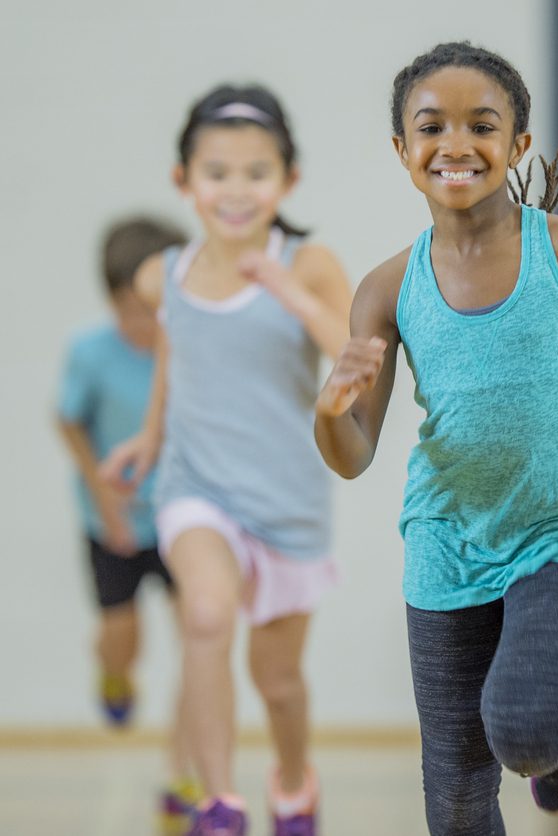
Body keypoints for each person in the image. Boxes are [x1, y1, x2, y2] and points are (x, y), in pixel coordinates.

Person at [312, 42, 558, 836]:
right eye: (432, 127)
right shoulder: (386, 290)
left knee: (526, 728)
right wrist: (329, 412)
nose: (456, 144)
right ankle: (551, 726)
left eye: (482, 125)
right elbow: (354, 454)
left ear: (518, 145)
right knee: (455, 802)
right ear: (402, 151)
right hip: (447, 539)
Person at [102, 84, 352, 836]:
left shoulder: (309, 264)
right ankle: (218, 799)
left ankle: (293, 779)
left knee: (276, 682)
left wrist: (289, 295)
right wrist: (151, 437)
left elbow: (354, 358)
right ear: (184, 182)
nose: (236, 191)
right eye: (217, 173)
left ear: (288, 181)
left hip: (287, 501)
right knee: (205, 613)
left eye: (256, 172)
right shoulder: (162, 275)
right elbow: (175, 352)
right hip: (196, 486)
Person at [56, 216, 202, 833]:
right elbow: (70, 422)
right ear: (113, 299)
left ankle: (182, 776)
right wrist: (104, 500)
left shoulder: (190, 348)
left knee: (200, 644)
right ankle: (113, 671)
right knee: (124, 639)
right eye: (133, 308)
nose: (147, 322)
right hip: (110, 523)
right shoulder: (89, 353)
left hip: (178, 519)